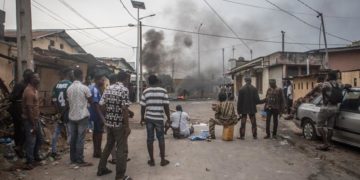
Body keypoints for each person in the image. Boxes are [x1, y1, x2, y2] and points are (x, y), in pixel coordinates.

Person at [97, 72, 132, 180]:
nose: (128, 82)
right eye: (128, 80)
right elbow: (125, 109)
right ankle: (120, 176)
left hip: (109, 123)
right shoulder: (124, 90)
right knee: (122, 150)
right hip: (119, 124)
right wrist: (127, 126)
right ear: (126, 79)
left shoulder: (108, 88)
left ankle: (101, 169)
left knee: (108, 146)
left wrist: (107, 117)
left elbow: (101, 105)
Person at [140, 75, 170, 167]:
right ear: (157, 81)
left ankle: (152, 161)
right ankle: (162, 160)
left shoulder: (145, 92)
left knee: (150, 139)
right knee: (161, 139)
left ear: (149, 82)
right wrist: (168, 118)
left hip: (149, 119)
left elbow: (142, 107)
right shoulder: (163, 91)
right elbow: (166, 106)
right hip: (159, 119)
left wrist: (142, 118)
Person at [66, 69, 93, 166]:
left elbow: (68, 102)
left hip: (72, 116)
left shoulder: (69, 88)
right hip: (82, 116)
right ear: (81, 75)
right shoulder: (85, 88)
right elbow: (91, 100)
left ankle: (72, 159)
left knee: (73, 138)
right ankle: (80, 159)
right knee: (80, 139)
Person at [9, 69, 33, 158]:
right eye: (30, 76)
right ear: (26, 77)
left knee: (21, 129)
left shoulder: (27, 85)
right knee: (21, 129)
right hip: (17, 109)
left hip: (22, 109)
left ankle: (20, 147)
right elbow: (12, 97)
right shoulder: (20, 85)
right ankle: (19, 147)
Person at [22, 72, 43, 169]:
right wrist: (33, 124)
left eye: (38, 76)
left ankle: (35, 157)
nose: (38, 78)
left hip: (36, 119)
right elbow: (29, 109)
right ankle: (30, 161)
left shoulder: (35, 90)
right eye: (36, 77)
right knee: (31, 141)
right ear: (31, 79)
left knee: (39, 139)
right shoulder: (29, 91)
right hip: (30, 121)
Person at [316, 71, 342, 151]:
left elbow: (319, 87)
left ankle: (325, 143)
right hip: (335, 108)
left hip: (326, 108)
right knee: (330, 127)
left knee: (319, 126)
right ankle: (328, 143)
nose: (326, 77)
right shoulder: (339, 84)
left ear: (330, 76)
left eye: (327, 75)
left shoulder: (326, 84)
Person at [50, 69, 73, 159]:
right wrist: (63, 112)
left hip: (59, 112)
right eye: (72, 74)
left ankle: (53, 151)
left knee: (56, 132)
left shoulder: (56, 85)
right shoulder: (70, 85)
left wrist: (58, 112)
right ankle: (72, 153)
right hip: (67, 112)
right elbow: (69, 101)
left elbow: (54, 100)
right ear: (69, 74)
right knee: (70, 132)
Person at [89, 73, 106, 158]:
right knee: (98, 133)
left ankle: (97, 151)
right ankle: (97, 151)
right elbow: (96, 105)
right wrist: (102, 117)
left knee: (97, 133)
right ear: (96, 80)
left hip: (97, 115)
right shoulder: (95, 89)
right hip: (97, 115)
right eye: (102, 80)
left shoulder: (98, 88)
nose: (103, 81)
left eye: (104, 80)